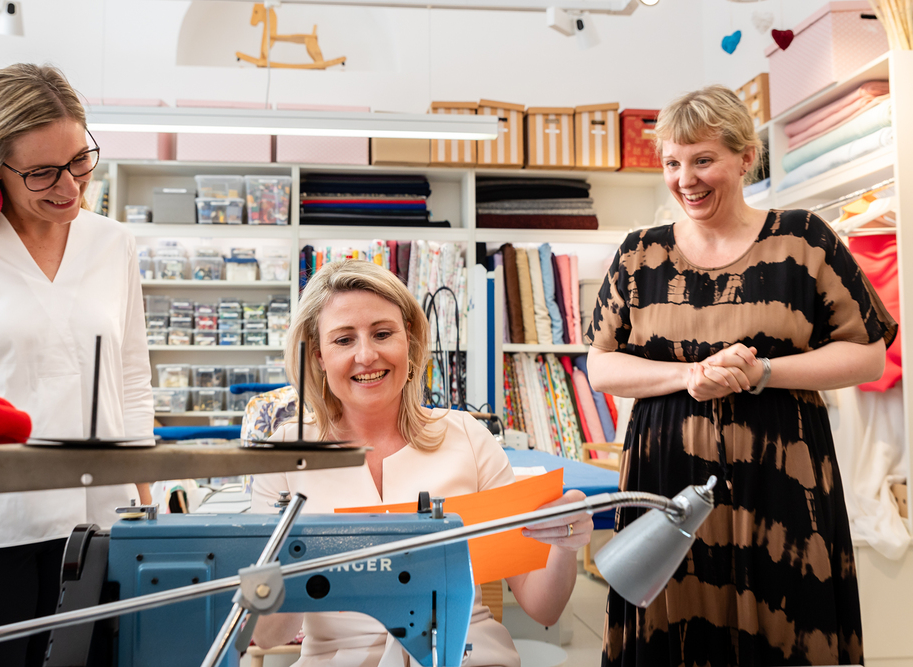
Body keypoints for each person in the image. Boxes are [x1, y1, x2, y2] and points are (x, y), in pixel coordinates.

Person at [585, 85, 895, 667]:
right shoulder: (639, 254)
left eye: (703, 160)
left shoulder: (804, 239)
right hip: (666, 477)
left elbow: (868, 354)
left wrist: (761, 372)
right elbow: (600, 364)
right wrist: (691, 375)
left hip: (783, 477)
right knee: (672, 623)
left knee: (785, 621)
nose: (686, 180)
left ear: (746, 157)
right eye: (672, 164)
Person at [0, 63, 154, 666]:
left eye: (79, 160)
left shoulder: (112, 243)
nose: (69, 186)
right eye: (42, 172)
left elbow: (131, 379)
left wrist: (144, 504)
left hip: (99, 524)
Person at [249, 259, 594, 667]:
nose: (367, 355)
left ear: (408, 339)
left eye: (382, 334)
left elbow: (543, 607)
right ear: (318, 354)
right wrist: (297, 561)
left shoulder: (469, 438)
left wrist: (565, 542)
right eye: (343, 340)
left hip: (463, 656)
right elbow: (266, 635)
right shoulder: (284, 456)